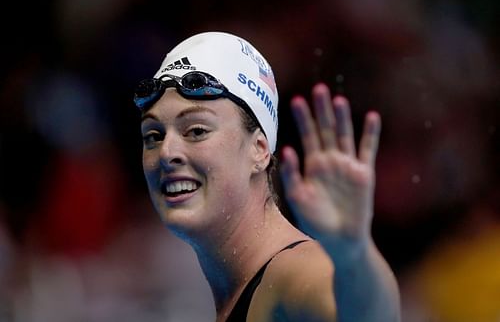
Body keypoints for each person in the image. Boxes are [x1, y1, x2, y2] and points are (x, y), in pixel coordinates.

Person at [134, 31, 400, 322]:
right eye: (153, 136)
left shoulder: (291, 274)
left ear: (259, 150)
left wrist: (352, 253)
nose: (166, 152)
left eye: (196, 130)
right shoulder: (242, 290)